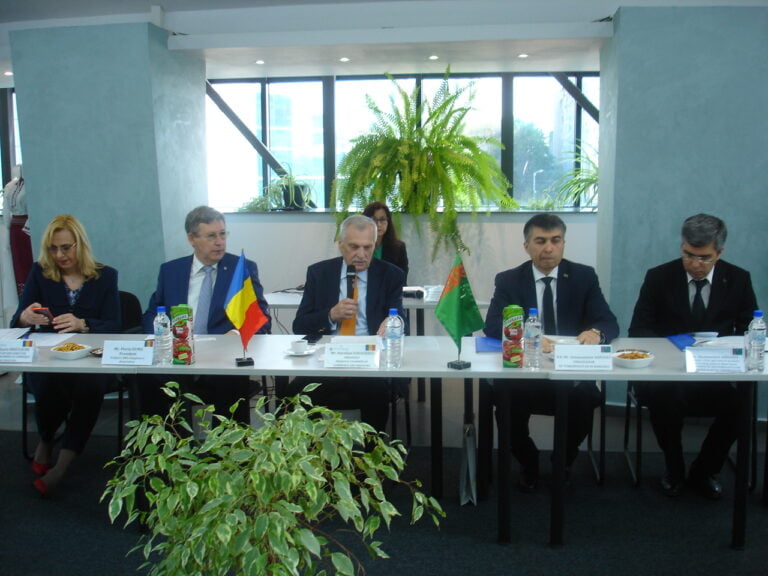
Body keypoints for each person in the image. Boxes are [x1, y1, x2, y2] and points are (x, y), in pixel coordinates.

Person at [484, 213, 619, 492]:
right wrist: (526, 337)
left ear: (563, 244)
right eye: (540, 241)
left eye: (556, 241)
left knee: (585, 398)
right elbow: (493, 325)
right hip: (525, 370)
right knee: (504, 400)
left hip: (570, 370)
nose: (549, 248)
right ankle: (529, 460)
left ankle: (563, 460)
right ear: (527, 246)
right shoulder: (509, 280)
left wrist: (596, 332)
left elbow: (608, 321)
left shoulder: (583, 276)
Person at [628, 213, 756, 499]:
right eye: (688, 255)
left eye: (705, 258)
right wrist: (671, 349)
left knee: (741, 406)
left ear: (719, 252)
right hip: (668, 373)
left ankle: (705, 470)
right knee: (664, 399)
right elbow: (639, 329)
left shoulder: (738, 279)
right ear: (682, 246)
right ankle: (674, 469)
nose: (696, 264)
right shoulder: (659, 277)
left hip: (715, 373)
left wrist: (728, 349)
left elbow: (749, 328)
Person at [11, 214, 121, 497]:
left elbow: (115, 324)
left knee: (90, 386)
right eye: (53, 249)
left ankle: (62, 465)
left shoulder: (105, 276)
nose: (59, 255)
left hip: (92, 358)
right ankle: (47, 439)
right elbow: (18, 321)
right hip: (51, 357)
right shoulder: (40, 273)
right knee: (48, 382)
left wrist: (83, 324)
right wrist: (25, 317)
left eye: (65, 248)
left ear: (80, 245)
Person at [137, 206, 271, 423]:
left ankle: (228, 442)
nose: (219, 242)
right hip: (178, 355)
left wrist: (235, 335)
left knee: (230, 380)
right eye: (211, 236)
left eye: (223, 234)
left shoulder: (240, 269)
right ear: (192, 238)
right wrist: (163, 337)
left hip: (222, 358)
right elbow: (153, 313)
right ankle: (168, 440)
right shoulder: (171, 271)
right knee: (146, 378)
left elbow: (261, 319)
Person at [279, 214, 406, 431]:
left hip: (369, 360)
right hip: (325, 359)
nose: (361, 254)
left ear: (374, 245)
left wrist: (393, 323)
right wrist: (330, 315)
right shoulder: (319, 273)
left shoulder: (391, 275)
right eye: (354, 247)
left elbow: (401, 320)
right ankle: (310, 448)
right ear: (341, 245)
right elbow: (299, 325)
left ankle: (371, 450)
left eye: (367, 247)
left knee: (376, 394)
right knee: (293, 395)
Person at [362, 201, 409, 282]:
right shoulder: (359, 246)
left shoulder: (398, 247)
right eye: (373, 220)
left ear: (388, 222)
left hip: (391, 288)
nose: (378, 224)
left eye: (382, 219)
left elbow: (402, 277)